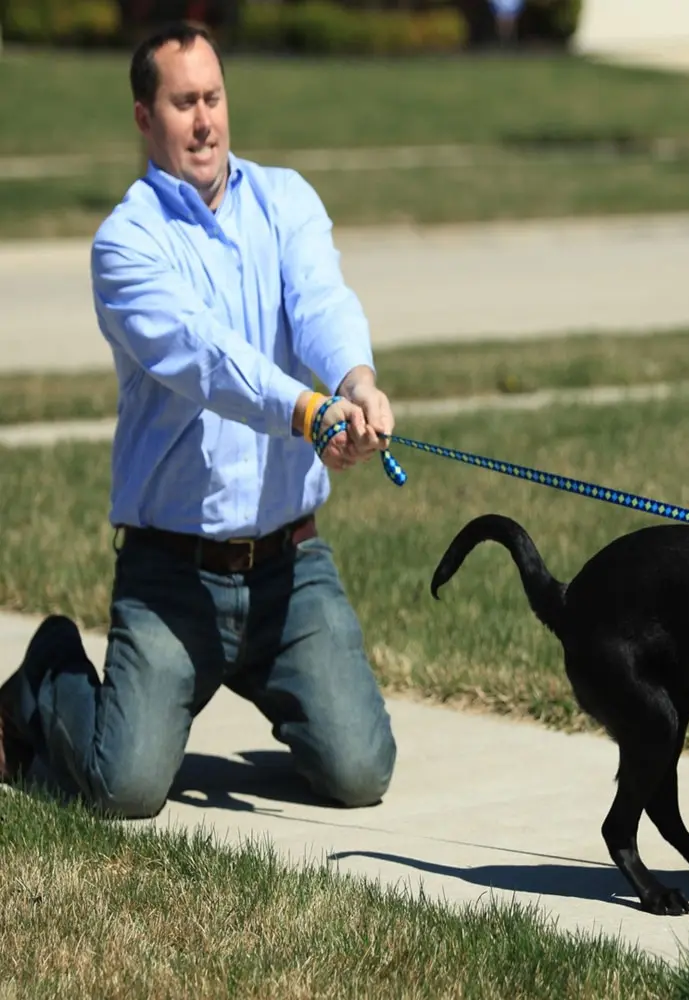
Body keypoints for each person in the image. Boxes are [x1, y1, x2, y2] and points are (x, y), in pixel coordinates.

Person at [0, 22, 398, 817]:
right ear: (145, 118)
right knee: (124, 790)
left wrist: (357, 381)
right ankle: (48, 674)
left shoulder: (285, 198)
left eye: (213, 98)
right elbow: (205, 357)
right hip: (170, 577)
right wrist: (307, 409)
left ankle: (276, 683)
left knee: (361, 774)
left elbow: (320, 301)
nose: (205, 121)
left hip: (290, 566)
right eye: (183, 104)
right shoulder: (126, 245)